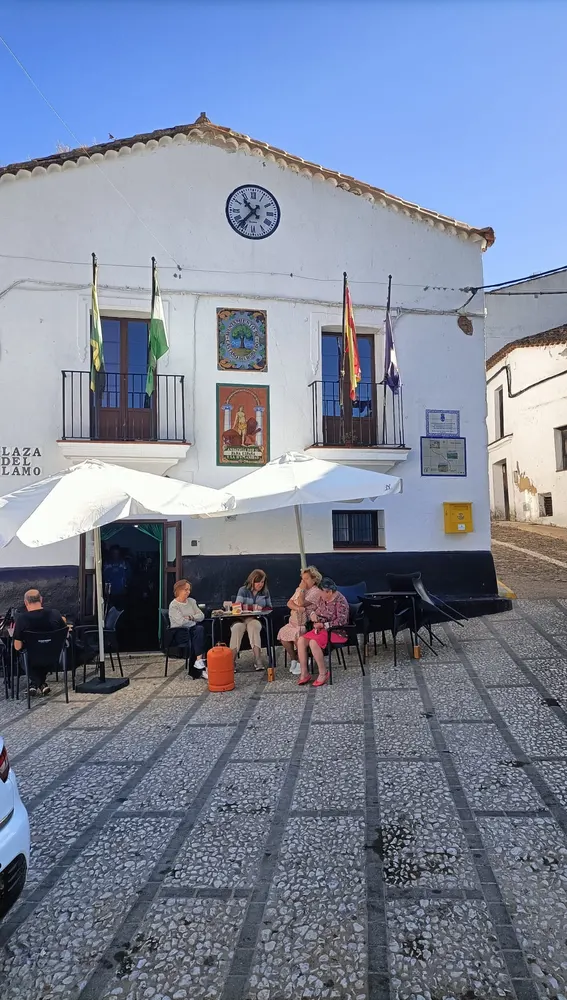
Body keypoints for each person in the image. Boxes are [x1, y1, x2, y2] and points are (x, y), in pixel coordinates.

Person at [12, 589, 67, 697]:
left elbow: (17, 647)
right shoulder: (54, 614)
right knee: (42, 653)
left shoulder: (22, 619)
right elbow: (63, 625)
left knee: (24, 656)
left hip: (31, 660)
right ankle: (40, 684)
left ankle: (36, 683)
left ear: (26, 602)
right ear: (41, 599)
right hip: (53, 658)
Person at [297, 577, 350, 688]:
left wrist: (324, 625)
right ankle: (304, 672)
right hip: (322, 630)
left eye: (322, 592)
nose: (320, 595)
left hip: (336, 632)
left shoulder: (341, 601)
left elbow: (342, 620)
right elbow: (317, 611)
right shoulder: (322, 599)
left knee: (313, 642)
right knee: (301, 640)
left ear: (329, 592)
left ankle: (323, 673)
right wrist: (313, 615)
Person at [278, 566, 322, 676]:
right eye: (302, 579)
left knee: (299, 633)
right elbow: (289, 603)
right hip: (294, 619)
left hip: (306, 621)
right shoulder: (299, 589)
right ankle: (294, 659)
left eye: (306, 579)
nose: (303, 581)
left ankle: (302, 660)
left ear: (314, 579)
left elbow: (302, 603)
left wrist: (301, 591)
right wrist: (297, 608)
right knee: (283, 634)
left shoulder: (316, 591)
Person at [230, 569, 272, 671]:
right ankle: (231, 661)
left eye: (262, 582)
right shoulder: (243, 590)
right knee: (236, 629)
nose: (260, 584)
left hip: (255, 619)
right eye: (258, 582)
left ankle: (258, 660)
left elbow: (270, 607)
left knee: (253, 626)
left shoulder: (265, 592)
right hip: (241, 619)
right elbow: (237, 607)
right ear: (252, 580)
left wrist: (262, 608)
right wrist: (252, 607)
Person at [169, 579, 207, 680]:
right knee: (199, 631)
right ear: (178, 590)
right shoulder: (174, 605)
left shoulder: (192, 601)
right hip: (179, 632)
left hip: (192, 630)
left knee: (201, 631)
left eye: (189, 590)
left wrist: (190, 617)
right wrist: (194, 622)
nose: (188, 592)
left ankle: (199, 663)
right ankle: (200, 666)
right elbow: (181, 622)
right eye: (185, 590)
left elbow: (201, 615)